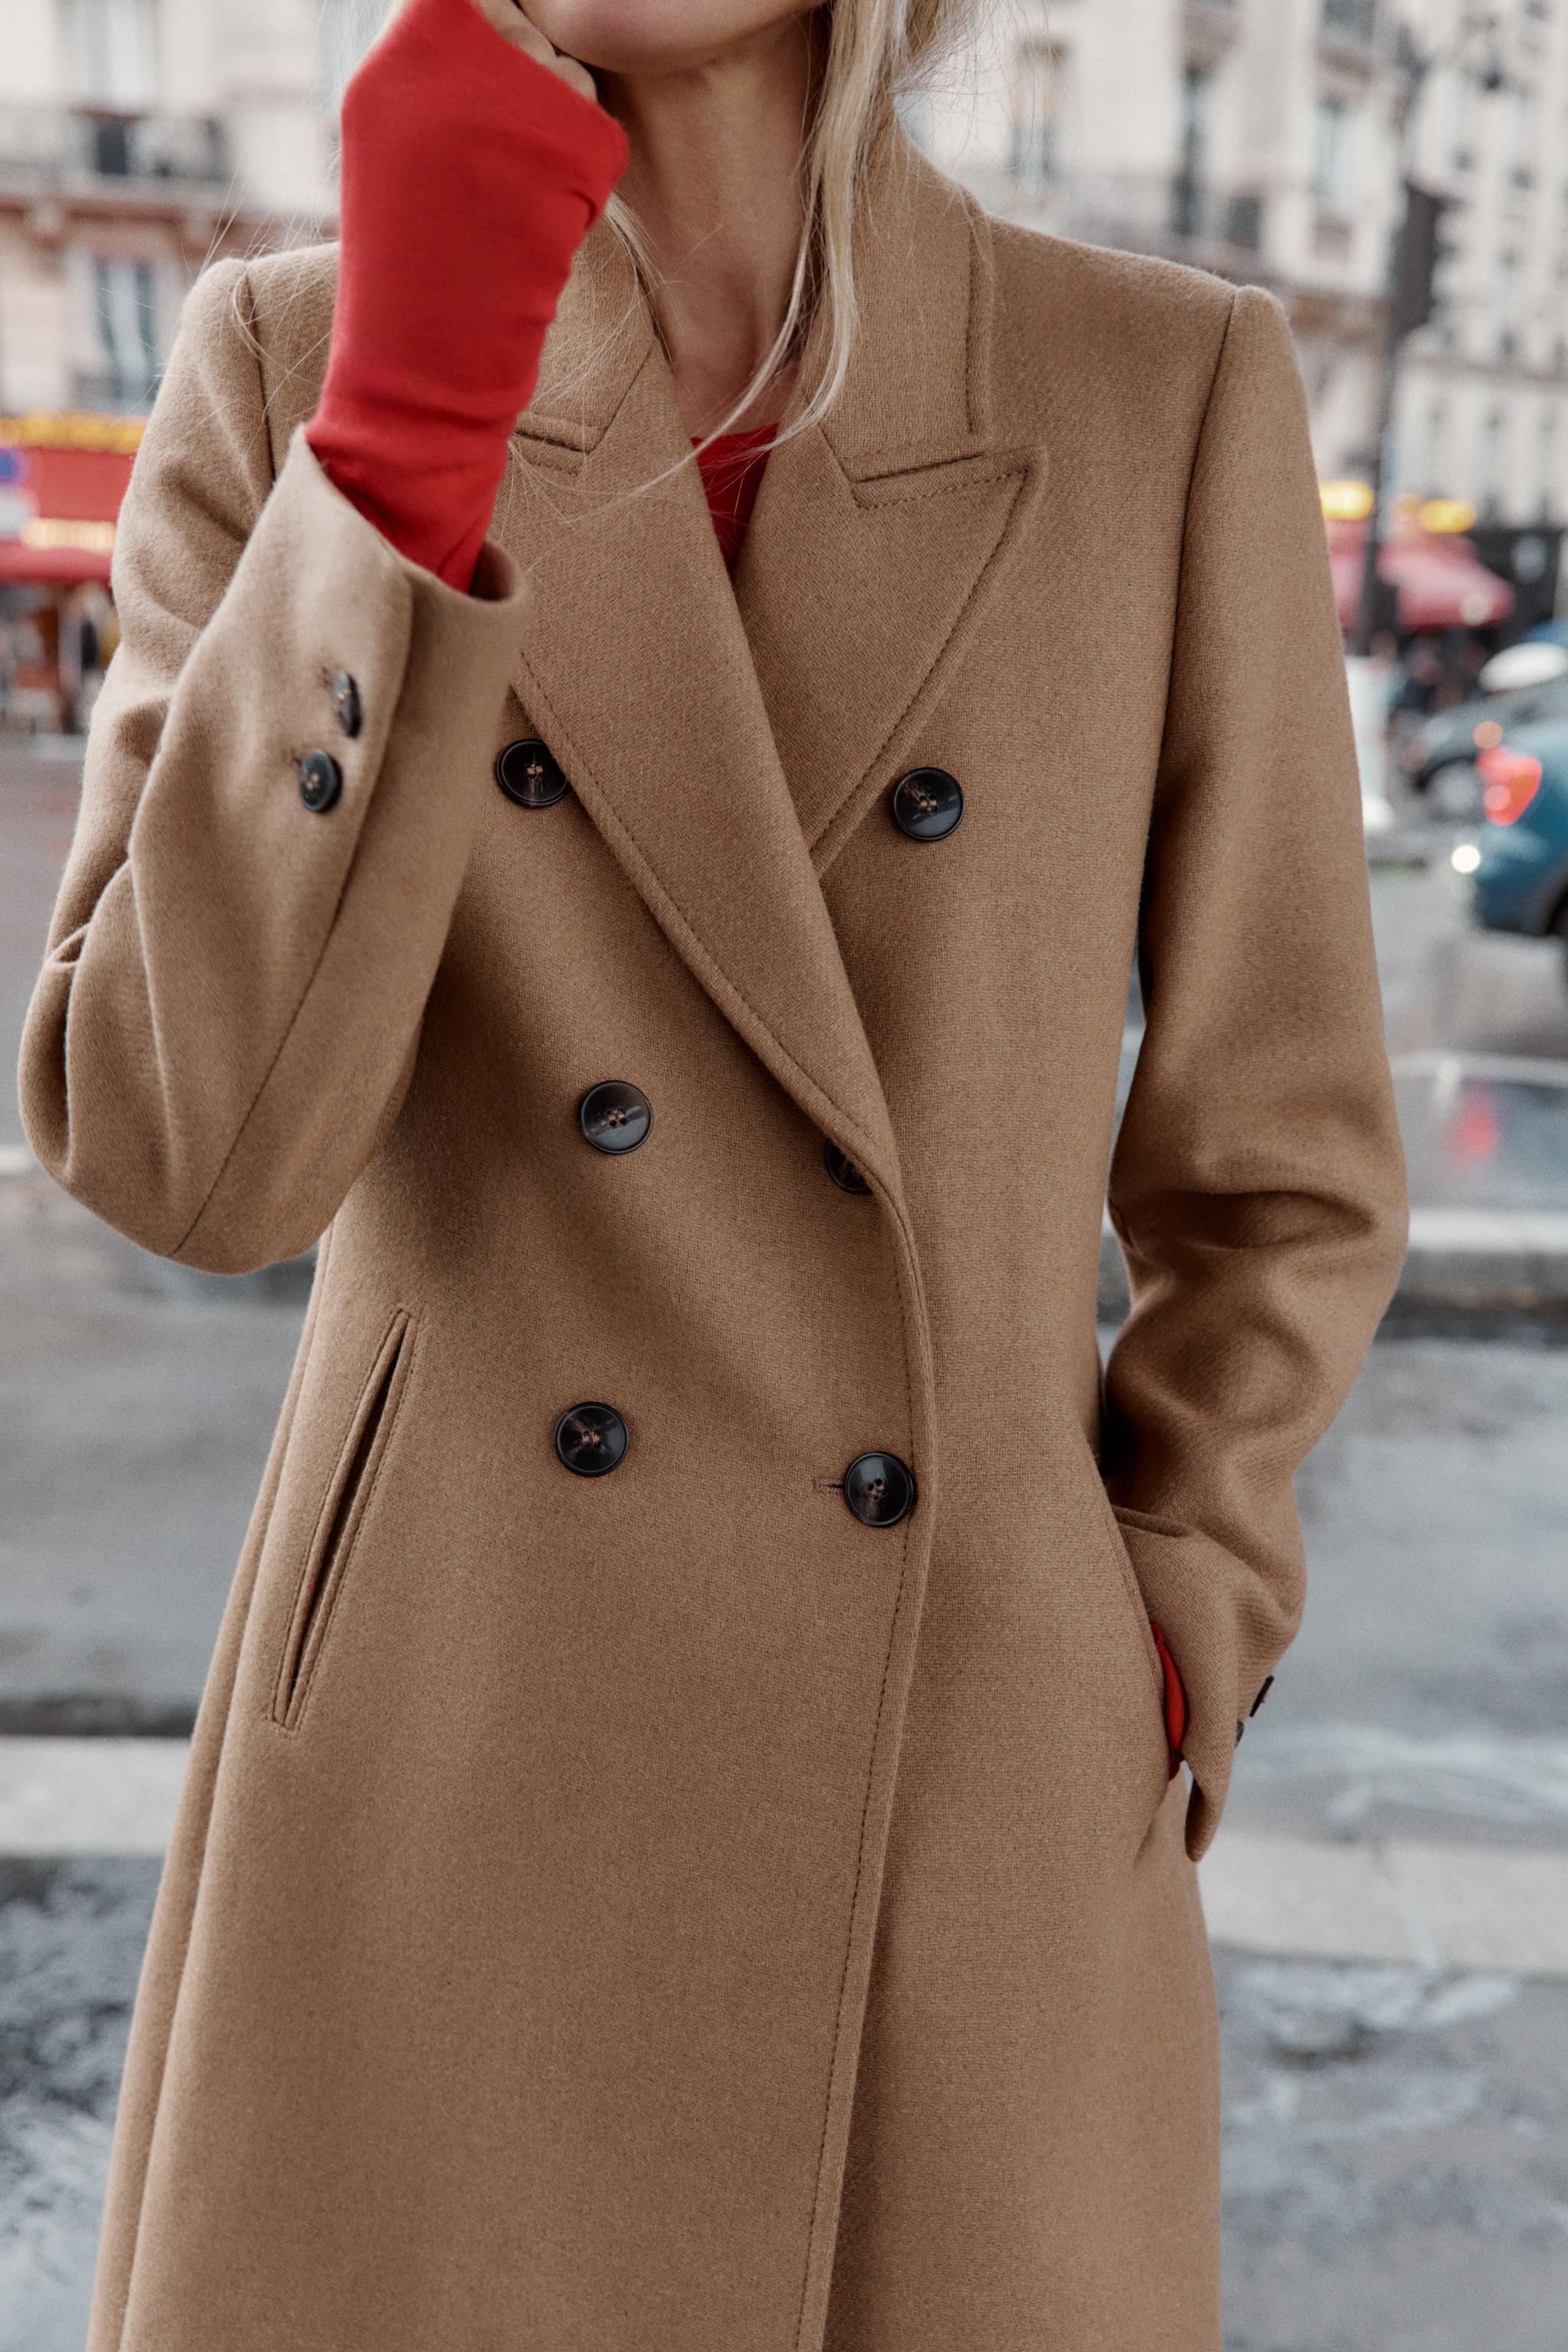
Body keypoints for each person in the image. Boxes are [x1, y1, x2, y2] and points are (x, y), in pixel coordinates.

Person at [18, 2, 1408, 2347]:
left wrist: (1173, 1609)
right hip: (440, 1790)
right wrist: (407, 443)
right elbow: (188, 1153)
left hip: (960, 1795)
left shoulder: (1155, 390)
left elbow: (1281, 1162)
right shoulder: (290, 365)